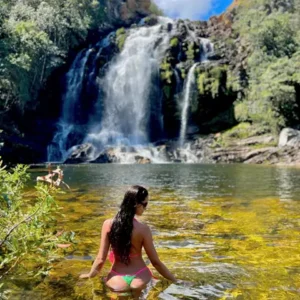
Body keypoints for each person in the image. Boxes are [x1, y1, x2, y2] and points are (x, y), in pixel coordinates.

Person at [79, 185, 177, 299]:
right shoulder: (143, 229)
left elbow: (101, 259)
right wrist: (175, 280)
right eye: (145, 204)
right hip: (140, 276)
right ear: (137, 205)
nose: (145, 208)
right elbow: (155, 262)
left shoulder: (108, 225)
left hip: (116, 279)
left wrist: (90, 275)